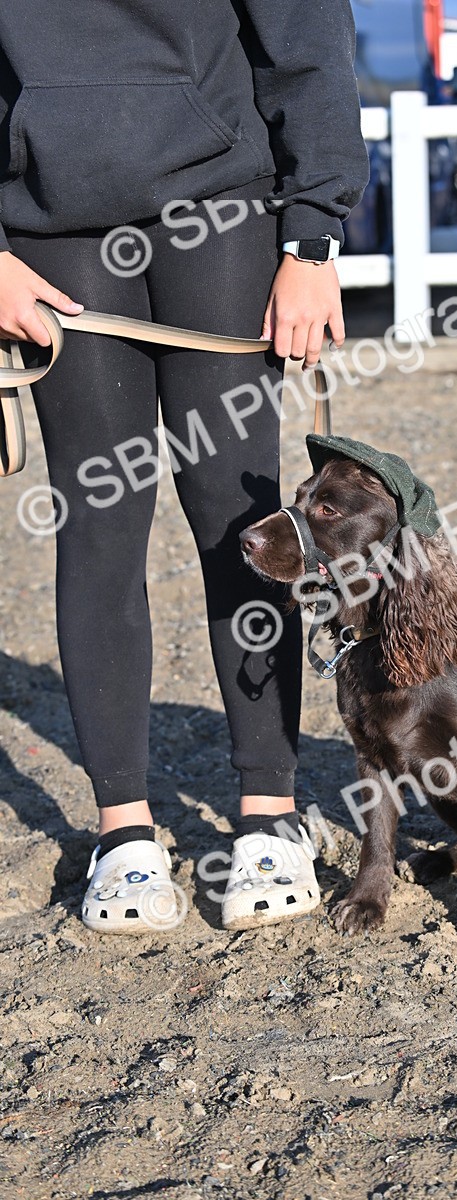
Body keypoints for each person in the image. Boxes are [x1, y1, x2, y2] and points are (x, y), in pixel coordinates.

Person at [0, 0, 369, 934]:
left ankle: (270, 815)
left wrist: (314, 237)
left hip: (220, 218)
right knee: (100, 525)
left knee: (242, 526)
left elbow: (307, 43)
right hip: (53, 232)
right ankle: (123, 832)